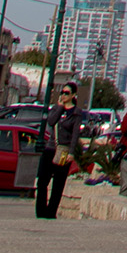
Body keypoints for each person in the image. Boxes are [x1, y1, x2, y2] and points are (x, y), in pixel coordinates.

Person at [34, 84, 82, 219]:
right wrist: (60, 107)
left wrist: (71, 153)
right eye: (62, 92)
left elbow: (75, 135)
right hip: (50, 148)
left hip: (64, 151)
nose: (63, 95)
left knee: (58, 184)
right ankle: (41, 212)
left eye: (67, 93)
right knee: (42, 181)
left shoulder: (76, 113)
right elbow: (50, 121)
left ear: (73, 95)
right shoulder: (57, 108)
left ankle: (51, 213)